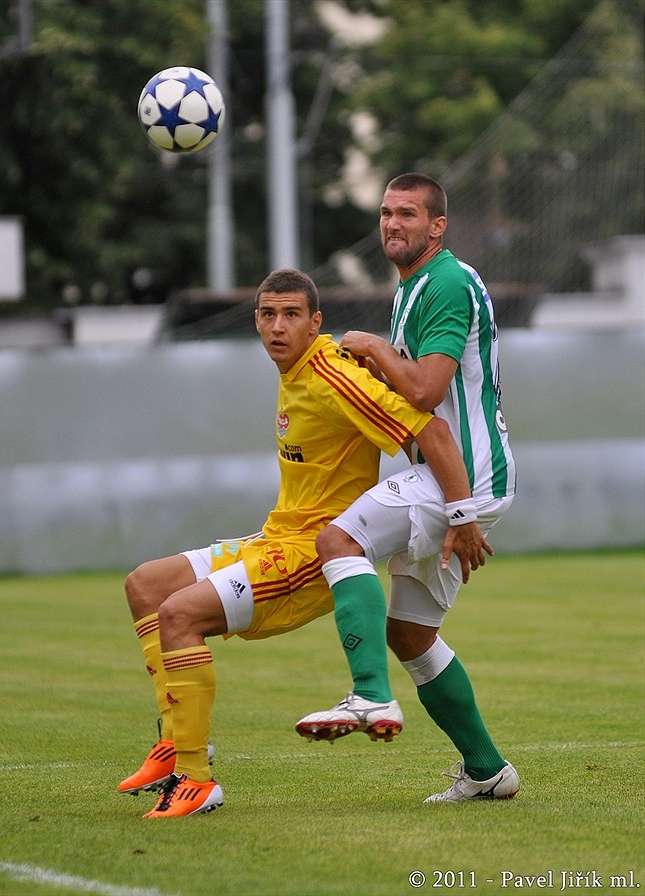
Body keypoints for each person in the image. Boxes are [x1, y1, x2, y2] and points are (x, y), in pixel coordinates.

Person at [118, 267, 490, 819]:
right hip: (275, 536)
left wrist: (463, 514)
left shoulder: (333, 373)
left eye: (292, 315)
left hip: (308, 557)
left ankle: (196, 780)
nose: (277, 326)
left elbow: (429, 429)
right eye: (268, 314)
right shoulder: (293, 369)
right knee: (145, 585)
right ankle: (174, 744)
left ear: (316, 322)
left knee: (178, 617)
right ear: (255, 320)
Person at [296, 173, 520, 803]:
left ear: (437, 227)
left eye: (409, 215)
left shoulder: (445, 282)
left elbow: (423, 391)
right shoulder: (413, 287)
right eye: (387, 214)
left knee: (338, 540)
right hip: (457, 480)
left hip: (461, 476)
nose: (393, 224)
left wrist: (369, 347)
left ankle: (368, 695)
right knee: (411, 634)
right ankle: (488, 770)